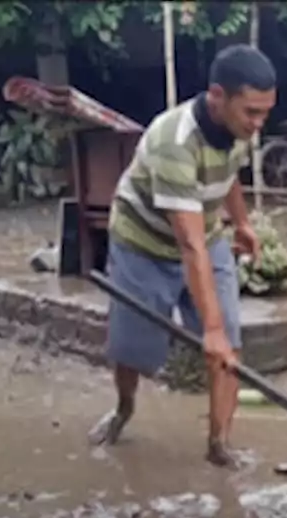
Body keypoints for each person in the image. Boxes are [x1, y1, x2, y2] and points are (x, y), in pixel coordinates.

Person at [87, 44, 277, 468]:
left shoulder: (239, 130)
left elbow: (227, 176)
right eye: (252, 112)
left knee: (229, 341)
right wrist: (206, 330)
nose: (259, 123)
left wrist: (242, 224)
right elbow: (187, 245)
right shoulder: (175, 142)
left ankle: (219, 444)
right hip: (144, 243)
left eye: (265, 112)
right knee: (132, 349)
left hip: (204, 234)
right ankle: (124, 409)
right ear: (217, 97)